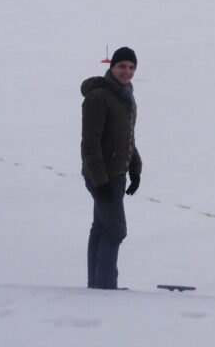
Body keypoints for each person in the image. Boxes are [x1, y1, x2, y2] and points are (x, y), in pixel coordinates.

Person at [80, 46, 142, 289]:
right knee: (116, 229)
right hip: (103, 175)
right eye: (122, 66)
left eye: (131, 67)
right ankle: (105, 288)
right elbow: (90, 143)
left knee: (102, 227)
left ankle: (96, 286)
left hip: (117, 173)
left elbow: (126, 137)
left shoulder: (125, 95)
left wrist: (135, 168)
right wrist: (100, 181)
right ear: (111, 67)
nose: (126, 71)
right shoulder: (98, 97)